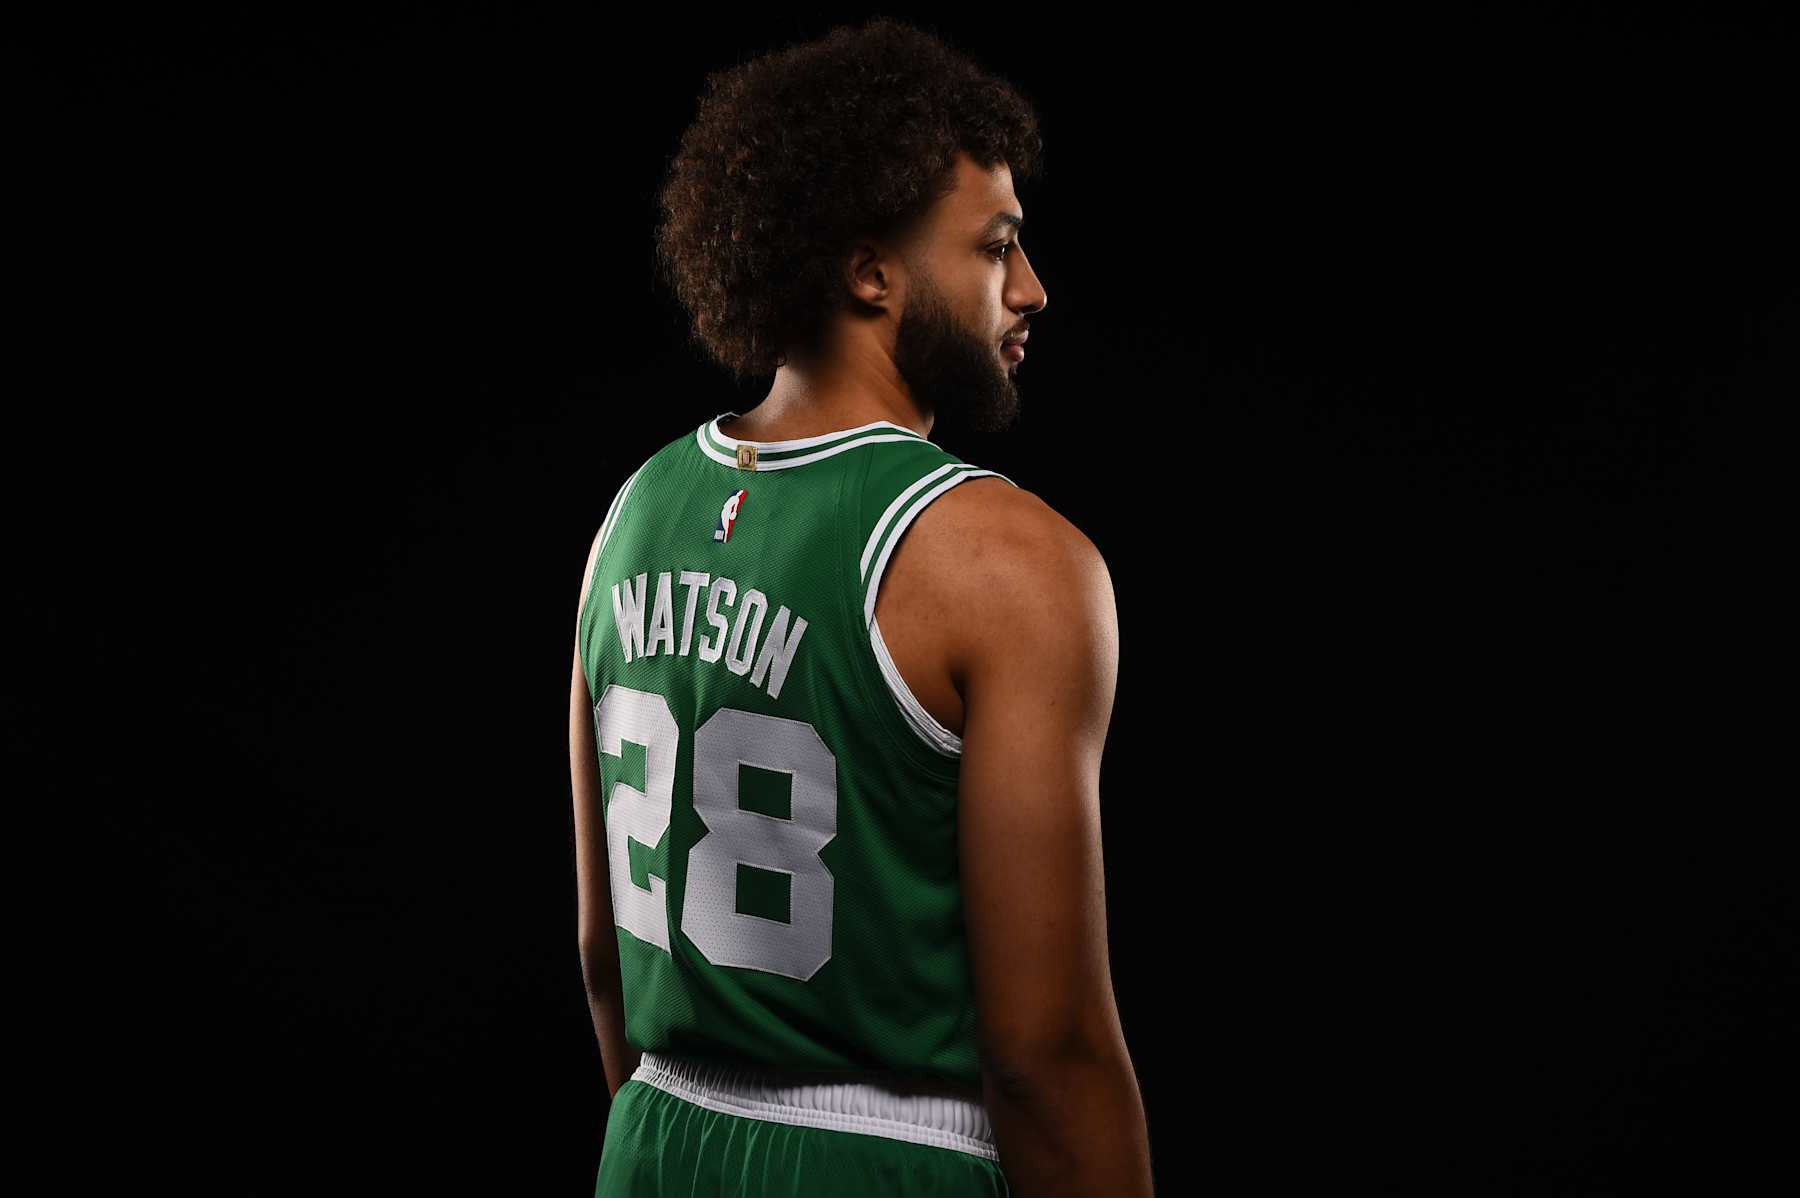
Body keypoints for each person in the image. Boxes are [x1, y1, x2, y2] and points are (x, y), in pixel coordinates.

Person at [570, 17, 1152, 1196]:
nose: (1032, 289)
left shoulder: (628, 516)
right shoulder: (1012, 561)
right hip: (886, 1164)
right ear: (870, 270)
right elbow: (1047, 1053)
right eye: (996, 249)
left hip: (650, 1138)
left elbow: (600, 959)